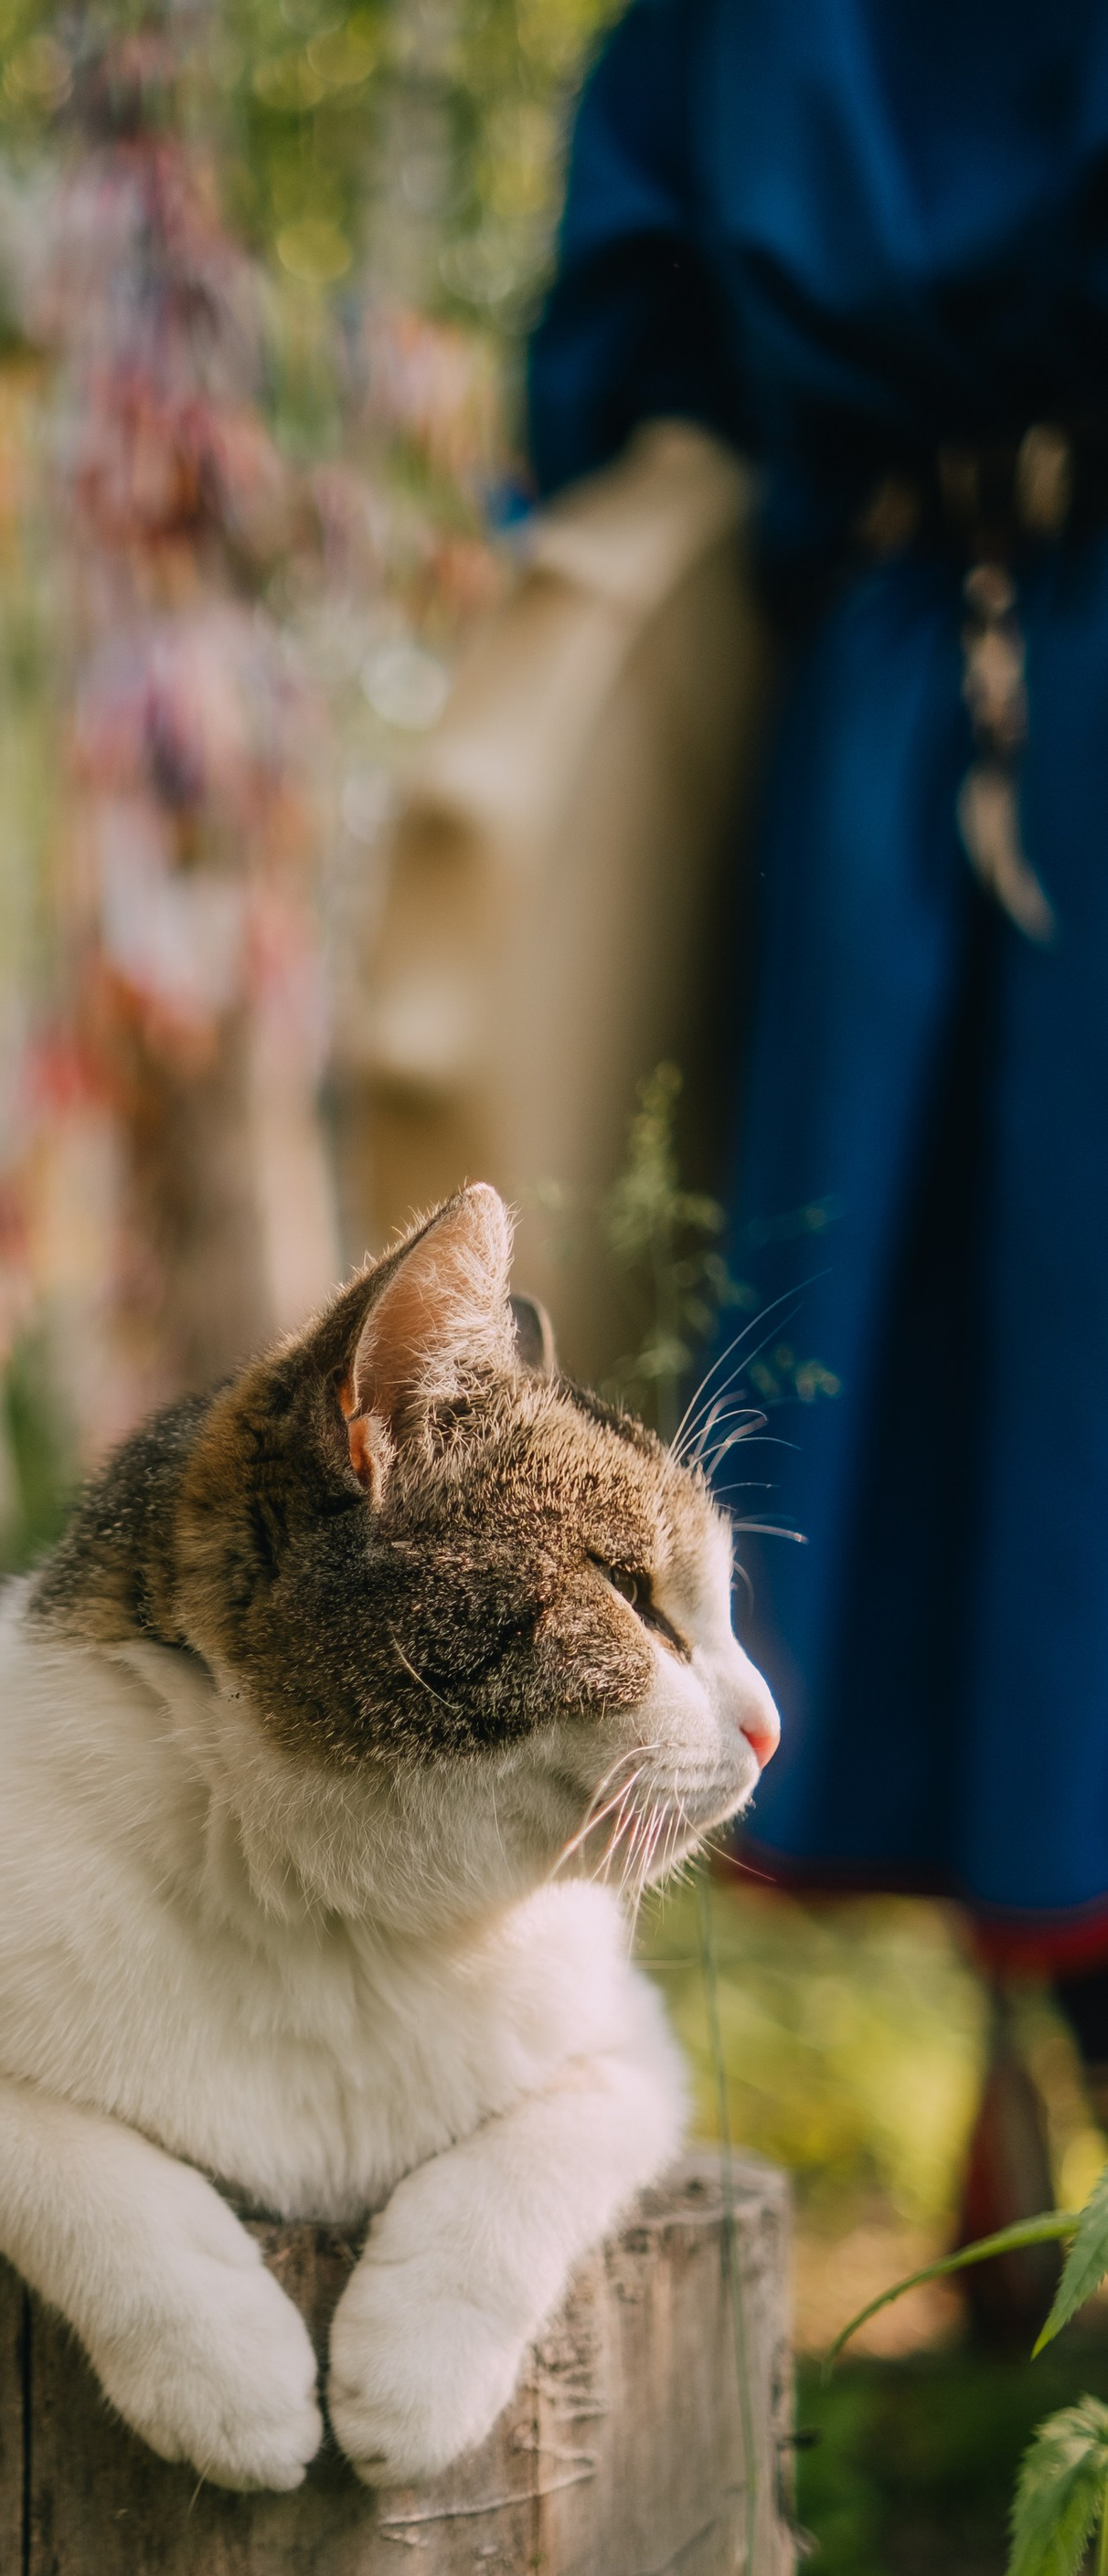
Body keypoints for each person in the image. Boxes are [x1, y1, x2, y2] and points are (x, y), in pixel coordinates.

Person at [527, 0, 1108, 2305]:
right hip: (890, 734)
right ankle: (1022, 2075)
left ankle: (1022, 2095)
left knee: (1021, 1373)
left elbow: (600, 384)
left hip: (882, 713)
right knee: (978, 1391)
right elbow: (619, 363)